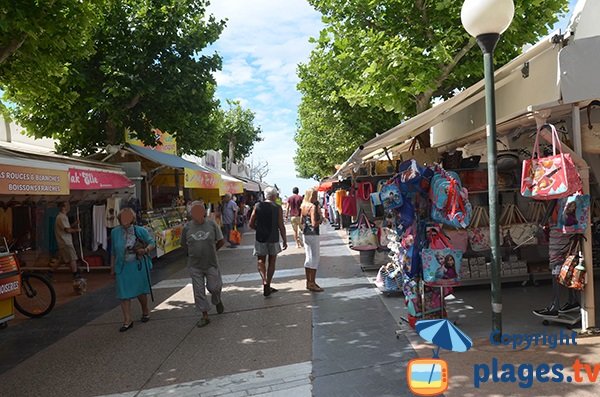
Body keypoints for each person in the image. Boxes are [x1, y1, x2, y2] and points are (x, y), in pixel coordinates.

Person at [110, 208, 155, 332]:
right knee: (123, 294)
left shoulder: (140, 231)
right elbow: (113, 251)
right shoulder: (114, 232)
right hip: (122, 266)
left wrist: (145, 250)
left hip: (137, 264)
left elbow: (152, 242)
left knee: (140, 291)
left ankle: (145, 310)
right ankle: (127, 320)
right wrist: (112, 267)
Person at [181, 200, 225, 328]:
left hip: (211, 262)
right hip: (195, 264)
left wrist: (213, 251)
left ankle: (217, 300)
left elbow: (221, 241)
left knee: (214, 287)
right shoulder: (187, 227)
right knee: (198, 291)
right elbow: (183, 244)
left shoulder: (211, 224)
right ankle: (204, 315)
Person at [249, 187, 287, 297]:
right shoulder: (278, 207)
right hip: (273, 237)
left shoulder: (257, 206)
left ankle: (264, 280)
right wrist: (284, 239)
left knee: (261, 260)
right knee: (272, 261)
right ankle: (268, 283)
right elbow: (281, 225)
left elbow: (251, 223)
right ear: (274, 196)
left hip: (260, 237)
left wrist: (259, 229)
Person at [301, 188, 323, 292]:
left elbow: (302, 221)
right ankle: (312, 282)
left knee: (308, 257)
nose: (316, 197)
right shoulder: (313, 207)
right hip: (313, 234)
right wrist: (321, 219)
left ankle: (308, 282)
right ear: (311, 196)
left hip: (305, 233)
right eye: (315, 195)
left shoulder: (303, 206)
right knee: (315, 258)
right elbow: (314, 224)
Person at [54, 202, 82, 280]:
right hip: (65, 241)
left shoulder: (63, 217)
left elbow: (67, 227)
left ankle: (50, 272)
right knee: (72, 258)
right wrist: (77, 230)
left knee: (62, 259)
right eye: (67, 205)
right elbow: (67, 230)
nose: (69, 207)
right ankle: (75, 274)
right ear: (63, 207)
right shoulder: (61, 217)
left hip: (64, 241)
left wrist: (74, 224)